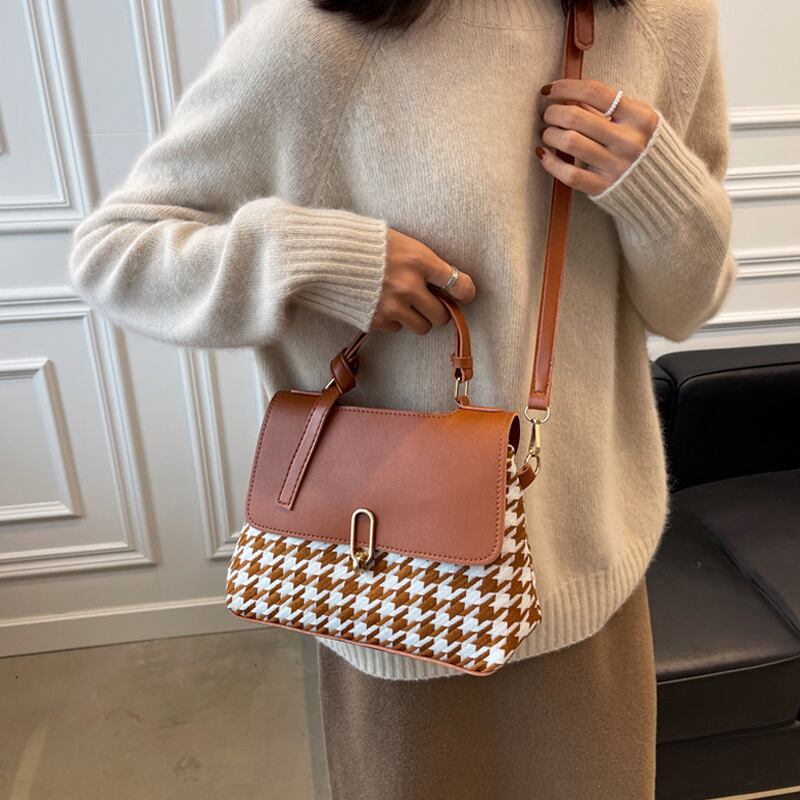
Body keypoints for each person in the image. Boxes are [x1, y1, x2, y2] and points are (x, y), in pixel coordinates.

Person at [68, 0, 737, 796]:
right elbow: (116, 253)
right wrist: (324, 260)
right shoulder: (319, 37)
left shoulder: (667, 21)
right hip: (394, 591)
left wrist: (657, 188)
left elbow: (685, 306)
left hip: (588, 577)